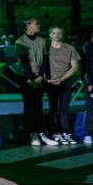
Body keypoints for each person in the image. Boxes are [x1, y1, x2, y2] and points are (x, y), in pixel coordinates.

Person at [16, 18, 56, 146]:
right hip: (25, 77)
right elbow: (24, 62)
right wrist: (29, 78)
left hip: (39, 77)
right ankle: (32, 134)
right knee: (29, 105)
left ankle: (42, 133)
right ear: (29, 26)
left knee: (39, 106)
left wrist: (40, 76)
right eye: (36, 24)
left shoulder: (42, 40)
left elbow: (45, 59)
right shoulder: (20, 41)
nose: (39, 25)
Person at [46, 25, 79, 144]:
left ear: (63, 35)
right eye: (54, 33)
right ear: (50, 34)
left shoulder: (70, 48)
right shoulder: (45, 48)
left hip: (65, 82)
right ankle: (55, 133)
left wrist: (62, 79)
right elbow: (41, 66)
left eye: (59, 33)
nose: (56, 35)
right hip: (51, 82)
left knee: (64, 109)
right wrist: (47, 79)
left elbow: (74, 68)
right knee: (53, 108)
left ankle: (64, 132)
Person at [81, 27, 93, 144]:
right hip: (92, 83)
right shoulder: (87, 47)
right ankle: (88, 134)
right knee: (91, 108)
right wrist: (88, 82)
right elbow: (84, 67)